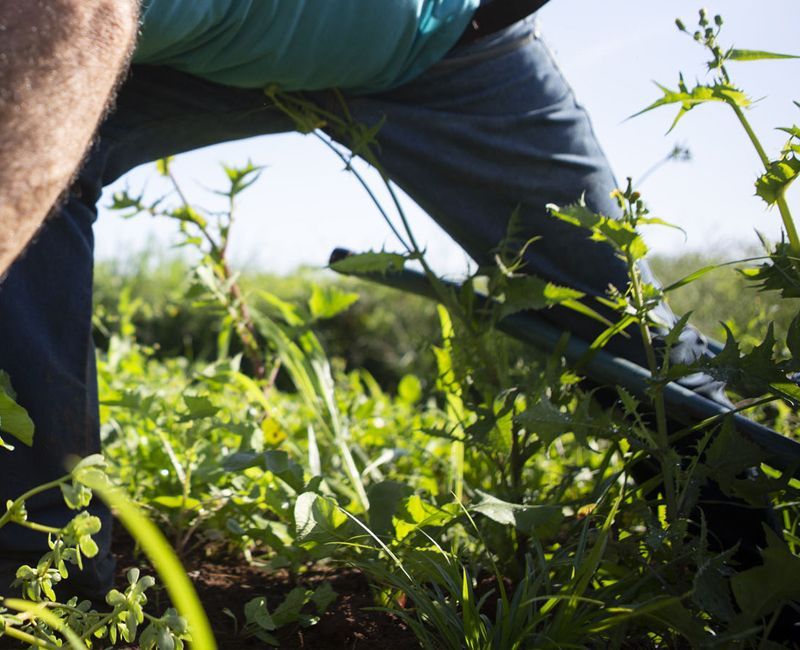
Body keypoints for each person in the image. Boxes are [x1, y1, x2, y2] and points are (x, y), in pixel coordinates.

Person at [0, 0, 730, 599]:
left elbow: (77, 10)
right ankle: (38, 577)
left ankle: (753, 572)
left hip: (445, 42)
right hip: (185, 56)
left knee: (619, 323)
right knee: (31, 148)